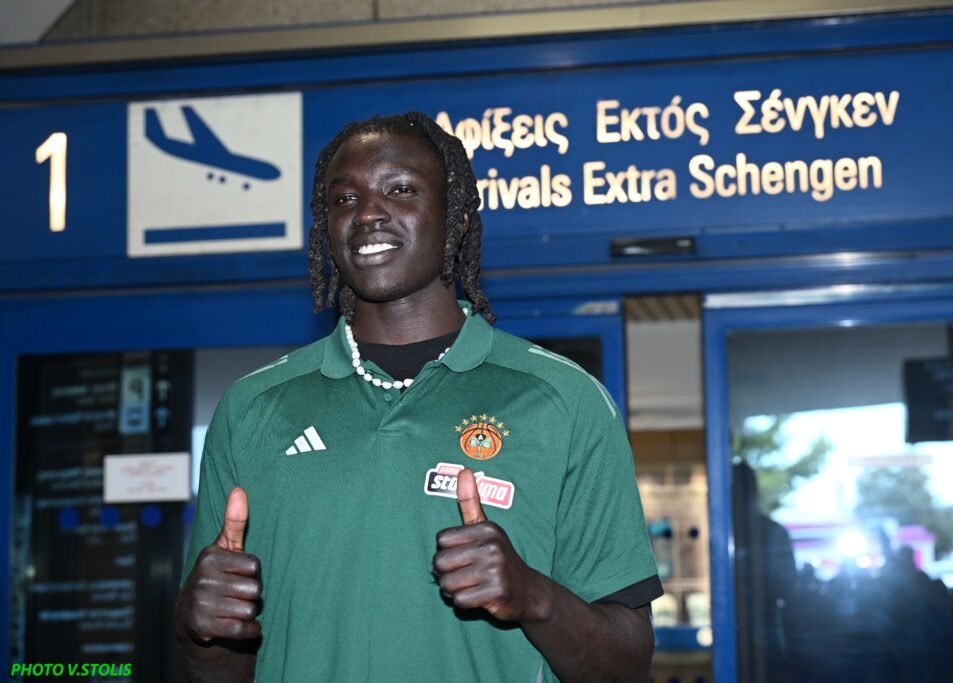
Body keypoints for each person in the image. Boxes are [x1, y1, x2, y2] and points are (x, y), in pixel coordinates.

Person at [174, 112, 662, 682]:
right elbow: (216, 672)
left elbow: (628, 664)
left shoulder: (564, 400)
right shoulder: (252, 408)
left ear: (455, 216)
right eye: (344, 199)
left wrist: (534, 596)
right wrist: (200, 631)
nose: (367, 213)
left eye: (401, 190)